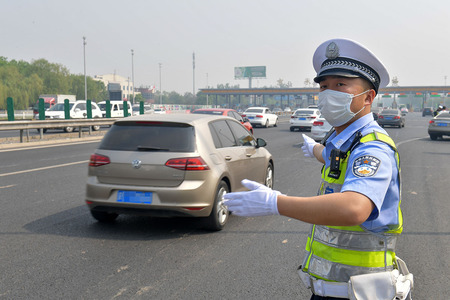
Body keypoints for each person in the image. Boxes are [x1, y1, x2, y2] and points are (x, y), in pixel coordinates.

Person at [223, 38, 413, 299]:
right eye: (324, 86)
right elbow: (335, 157)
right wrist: (315, 150)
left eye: (340, 85)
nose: (327, 93)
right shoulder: (347, 140)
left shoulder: (373, 148)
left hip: (361, 293)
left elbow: (354, 208)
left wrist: (276, 203)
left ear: (368, 97)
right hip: (334, 289)